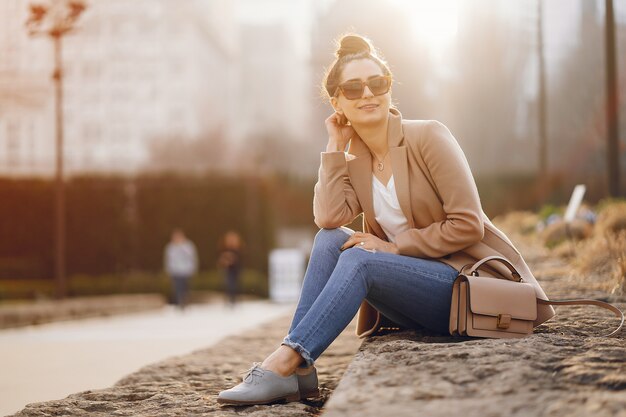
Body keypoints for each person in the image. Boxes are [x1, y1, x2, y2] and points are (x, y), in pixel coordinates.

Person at [217, 34, 555, 406]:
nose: (368, 93)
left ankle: (284, 361)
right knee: (329, 241)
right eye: (354, 87)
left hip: (466, 286)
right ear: (337, 103)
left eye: (378, 83)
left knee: (360, 258)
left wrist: (393, 247)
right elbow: (327, 218)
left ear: (389, 88)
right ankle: (300, 372)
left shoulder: (428, 136)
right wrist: (334, 146)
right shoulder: (354, 159)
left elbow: (468, 224)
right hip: (410, 292)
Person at [164, 228, 198, 310]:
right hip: (175, 270)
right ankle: (180, 303)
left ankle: (185, 301)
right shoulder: (170, 247)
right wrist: (168, 269)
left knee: (185, 287)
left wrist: (193, 268)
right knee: (177, 287)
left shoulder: (188, 246)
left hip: (186, 270)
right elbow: (168, 259)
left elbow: (192, 257)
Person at [218, 230, 243, 307]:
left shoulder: (237, 249)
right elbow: (221, 259)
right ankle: (229, 299)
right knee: (228, 284)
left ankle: (234, 300)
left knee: (235, 285)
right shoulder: (224, 248)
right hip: (228, 270)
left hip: (235, 269)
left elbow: (238, 259)